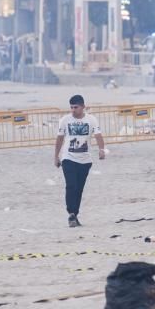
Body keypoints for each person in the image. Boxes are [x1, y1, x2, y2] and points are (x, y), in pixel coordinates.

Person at [54, 95, 105, 228]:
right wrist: (56, 156)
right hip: (68, 157)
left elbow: (98, 135)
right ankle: (70, 213)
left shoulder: (91, 119)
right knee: (71, 185)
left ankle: (75, 214)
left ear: (83, 106)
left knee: (79, 189)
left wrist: (101, 149)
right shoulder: (65, 120)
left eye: (75, 107)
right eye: (71, 107)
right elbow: (59, 139)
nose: (73, 110)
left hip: (85, 160)